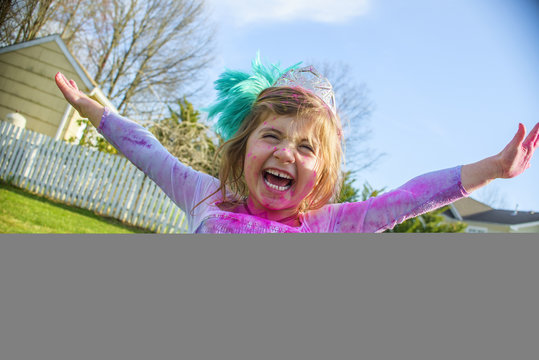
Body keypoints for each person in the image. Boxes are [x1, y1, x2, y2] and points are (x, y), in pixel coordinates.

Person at [54, 57, 539, 233]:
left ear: (322, 173)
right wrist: (94, 111)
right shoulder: (203, 195)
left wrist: (493, 166)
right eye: (272, 136)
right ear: (244, 149)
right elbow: (149, 152)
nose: (286, 152)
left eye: (306, 148)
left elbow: (405, 200)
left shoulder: (328, 225)